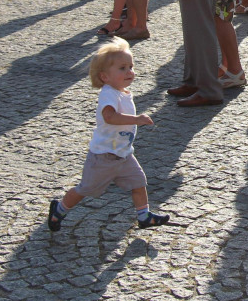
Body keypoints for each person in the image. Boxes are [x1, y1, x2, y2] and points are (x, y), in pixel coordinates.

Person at [47, 37, 168, 231]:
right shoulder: (109, 94)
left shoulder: (123, 91)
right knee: (85, 189)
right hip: (103, 156)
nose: (129, 71)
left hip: (123, 153)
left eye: (131, 66)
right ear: (104, 76)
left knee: (138, 182)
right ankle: (59, 210)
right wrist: (136, 119)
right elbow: (110, 117)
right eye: (122, 68)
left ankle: (144, 216)